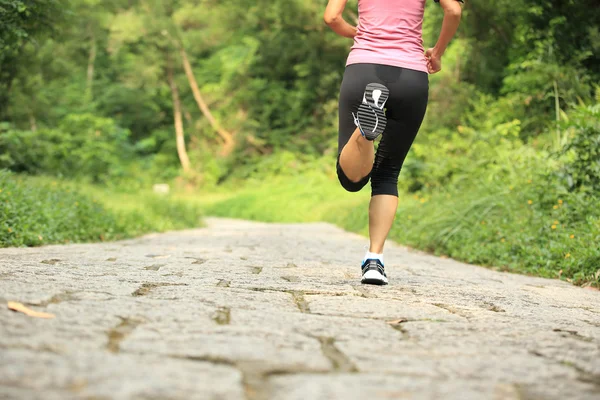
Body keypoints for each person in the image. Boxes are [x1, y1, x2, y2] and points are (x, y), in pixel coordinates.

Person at [324, 0, 463, 285]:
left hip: (364, 69)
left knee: (351, 179)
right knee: (387, 174)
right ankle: (374, 260)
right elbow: (454, 10)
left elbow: (331, 18)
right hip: (411, 75)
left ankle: (364, 133)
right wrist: (437, 53)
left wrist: (360, 33)